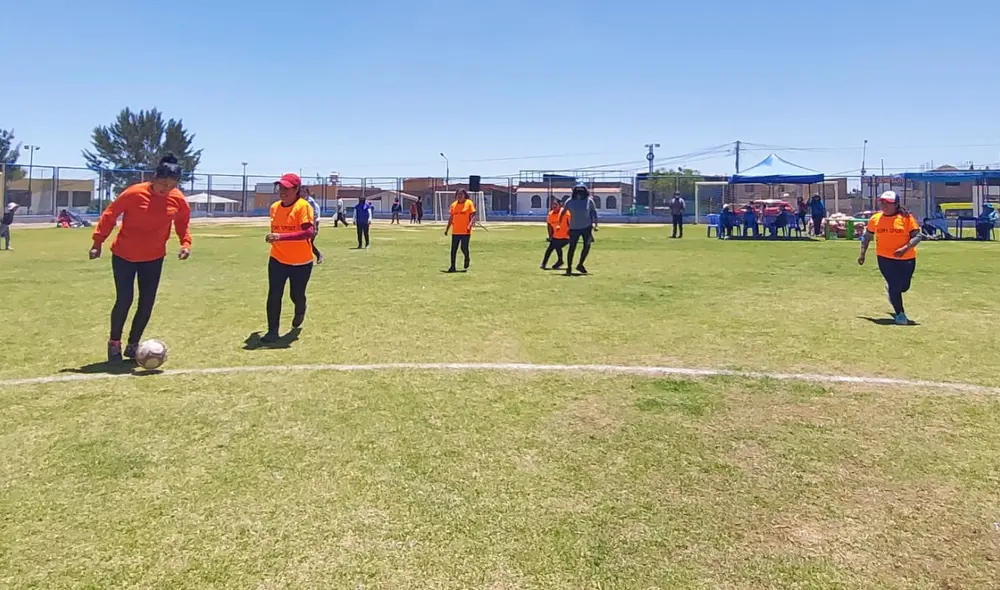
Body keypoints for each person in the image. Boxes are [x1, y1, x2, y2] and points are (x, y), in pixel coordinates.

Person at [90, 154, 191, 362]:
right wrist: (98, 241)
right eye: (163, 183)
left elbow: (182, 223)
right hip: (124, 255)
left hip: (153, 258)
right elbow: (110, 214)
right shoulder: (134, 193)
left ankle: (133, 344)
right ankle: (114, 343)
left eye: (171, 185)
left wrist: (185, 243)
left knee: (146, 302)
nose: (166, 188)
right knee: (125, 299)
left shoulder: (178, 199)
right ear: (153, 178)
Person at [263, 173, 316, 343]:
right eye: (280, 187)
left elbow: (308, 232)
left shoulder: (303, 207)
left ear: (296, 189)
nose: (282, 191)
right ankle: (272, 331)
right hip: (278, 259)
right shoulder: (274, 207)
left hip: (301, 262)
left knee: (296, 294)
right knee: (274, 294)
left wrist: (280, 237)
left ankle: (300, 309)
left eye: (286, 188)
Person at [858, 191, 922, 325]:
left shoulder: (906, 218)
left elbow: (917, 236)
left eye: (888, 203)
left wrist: (905, 248)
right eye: (882, 202)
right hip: (884, 257)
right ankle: (900, 314)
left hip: (907, 258)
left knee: (904, 287)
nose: (884, 205)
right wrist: (862, 253)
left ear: (896, 204)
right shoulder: (875, 219)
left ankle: (892, 292)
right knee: (894, 285)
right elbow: (867, 237)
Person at [557, 183, 598, 275]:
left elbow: (594, 212)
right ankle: (569, 267)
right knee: (572, 247)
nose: (580, 193)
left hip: (587, 227)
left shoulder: (589, 201)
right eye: (578, 190)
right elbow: (563, 212)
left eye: (582, 190)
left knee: (587, 246)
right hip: (574, 228)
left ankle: (580, 264)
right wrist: (559, 224)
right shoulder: (569, 201)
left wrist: (596, 224)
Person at [444, 189, 476, 272]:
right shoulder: (453, 205)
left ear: (465, 195)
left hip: (466, 231)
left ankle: (467, 257)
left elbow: (473, 216)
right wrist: (447, 229)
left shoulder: (469, 203)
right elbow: (451, 218)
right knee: (453, 249)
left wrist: (469, 225)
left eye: (461, 194)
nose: (460, 196)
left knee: (463, 247)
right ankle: (452, 266)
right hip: (456, 231)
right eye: (458, 194)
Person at [541, 197, 570, 270]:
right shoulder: (551, 214)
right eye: (552, 204)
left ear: (560, 205)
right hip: (556, 236)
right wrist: (550, 236)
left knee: (557, 246)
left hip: (566, 237)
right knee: (549, 249)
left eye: (555, 204)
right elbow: (549, 225)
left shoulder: (565, 212)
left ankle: (560, 261)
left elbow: (571, 223)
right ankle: (544, 264)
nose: (554, 206)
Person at [303, 188, 324, 264]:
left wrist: (315, 228)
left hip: (312, 224)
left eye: (304, 192)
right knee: (305, 243)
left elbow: (314, 215)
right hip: (304, 224)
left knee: (309, 242)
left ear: (308, 193)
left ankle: (318, 255)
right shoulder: (301, 201)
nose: (302, 194)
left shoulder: (310, 202)